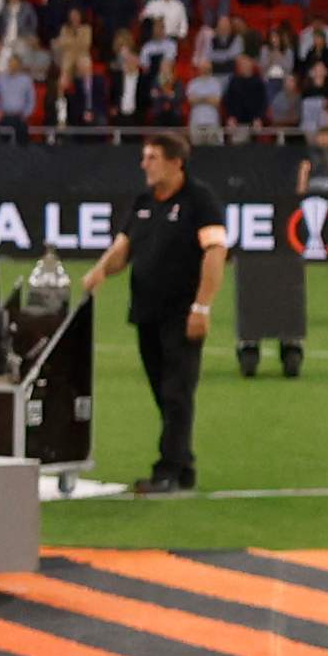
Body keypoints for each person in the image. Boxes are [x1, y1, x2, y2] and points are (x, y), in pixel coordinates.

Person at [88, 127, 221, 497]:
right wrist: (100, 270)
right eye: (144, 156)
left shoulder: (200, 200)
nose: (143, 163)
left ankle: (168, 470)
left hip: (181, 312)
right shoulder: (144, 201)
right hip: (146, 311)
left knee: (177, 391)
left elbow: (215, 253)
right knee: (163, 392)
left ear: (176, 162)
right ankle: (183, 465)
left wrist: (202, 306)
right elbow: (123, 247)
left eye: (152, 157)